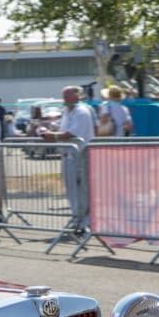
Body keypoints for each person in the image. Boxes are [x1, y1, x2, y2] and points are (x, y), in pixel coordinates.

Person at [42, 85, 95, 227]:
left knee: (81, 189)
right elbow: (63, 130)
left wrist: (52, 136)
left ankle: (86, 220)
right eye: (63, 97)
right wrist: (50, 130)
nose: (64, 100)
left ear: (76, 97)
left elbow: (71, 134)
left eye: (67, 96)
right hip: (68, 155)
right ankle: (77, 217)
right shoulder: (67, 111)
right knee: (71, 189)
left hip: (79, 157)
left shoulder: (82, 112)